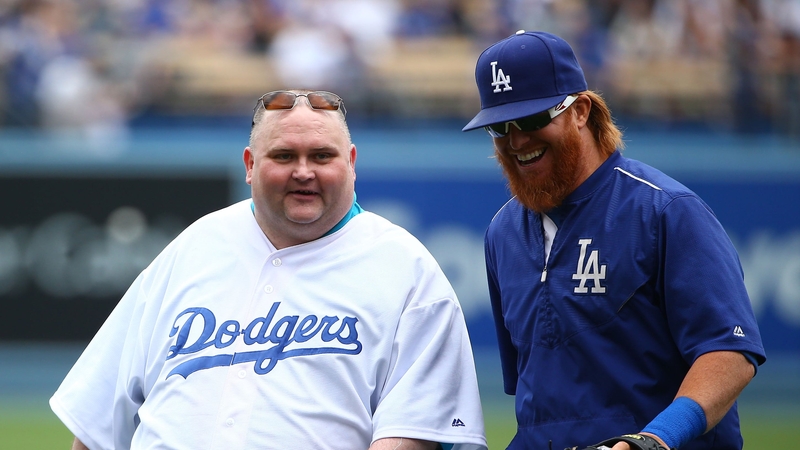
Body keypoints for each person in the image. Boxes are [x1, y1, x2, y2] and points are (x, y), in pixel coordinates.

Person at [50, 89, 488, 450]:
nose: (303, 171)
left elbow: (411, 434)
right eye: (283, 156)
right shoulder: (193, 247)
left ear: (351, 162)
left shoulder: (405, 268)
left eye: (321, 156)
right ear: (250, 165)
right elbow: (98, 423)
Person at [461, 30, 766, 450]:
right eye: (499, 126)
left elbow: (730, 355)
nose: (516, 140)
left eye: (532, 119)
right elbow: (537, 394)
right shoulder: (502, 232)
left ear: (581, 110)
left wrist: (654, 440)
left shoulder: (664, 210)